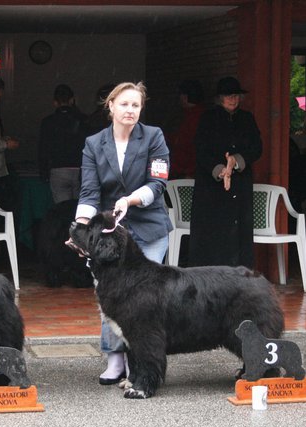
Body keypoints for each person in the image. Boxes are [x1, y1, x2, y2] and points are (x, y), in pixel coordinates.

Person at [75, 81, 172, 384]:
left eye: (136, 105)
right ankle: (114, 359)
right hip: (111, 235)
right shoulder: (94, 143)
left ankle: (141, 362)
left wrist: (130, 199)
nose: (130, 110)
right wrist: (79, 227)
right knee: (112, 294)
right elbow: (89, 192)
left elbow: (158, 183)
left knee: (144, 300)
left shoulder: (154, 136)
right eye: (125, 104)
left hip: (149, 226)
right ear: (111, 106)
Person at [188, 76, 262, 268]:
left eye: (236, 95)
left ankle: (239, 274)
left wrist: (236, 161)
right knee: (212, 230)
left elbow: (256, 147)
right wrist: (219, 169)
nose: (233, 99)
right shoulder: (208, 118)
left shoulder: (247, 118)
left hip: (240, 184)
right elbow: (200, 148)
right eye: (228, 95)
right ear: (220, 98)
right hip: (211, 186)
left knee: (239, 229)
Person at [38, 84, 88, 203]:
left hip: (58, 169)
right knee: (81, 209)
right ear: (72, 100)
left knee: (62, 209)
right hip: (81, 169)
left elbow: (43, 148)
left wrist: (43, 171)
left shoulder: (48, 122)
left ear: (55, 102)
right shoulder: (83, 120)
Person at [165, 79, 206, 179]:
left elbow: (188, 145)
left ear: (185, 97)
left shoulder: (194, 117)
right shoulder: (194, 115)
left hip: (187, 173)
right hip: (186, 171)